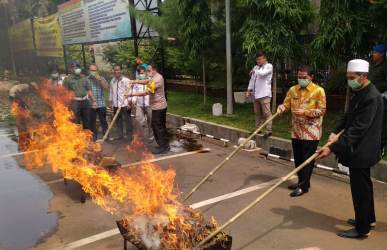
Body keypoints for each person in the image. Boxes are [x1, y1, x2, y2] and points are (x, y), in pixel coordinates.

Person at [317, 59, 383, 239]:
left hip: (362, 150)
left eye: (352, 77)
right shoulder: (360, 91)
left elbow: (357, 129)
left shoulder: (371, 97)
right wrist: (334, 132)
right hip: (359, 149)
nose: (349, 80)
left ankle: (362, 229)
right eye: (348, 77)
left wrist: (333, 148)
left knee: (360, 190)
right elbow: (348, 117)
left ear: (364, 76)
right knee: (365, 187)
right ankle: (368, 219)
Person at [277, 66, 326, 197]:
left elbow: (322, 110)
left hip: (311, 131)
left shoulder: (319, 91)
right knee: (298, 158)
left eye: (304, 77)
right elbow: (286, 104)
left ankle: (304, 186)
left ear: (311, 77)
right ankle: (301, 181)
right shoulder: (293, 90)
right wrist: (282, 108)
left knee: (307, 160)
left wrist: (306, 112)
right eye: (299, 77)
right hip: (296, 130)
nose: (301, 79)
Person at [130, 64, 169, 154]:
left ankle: (163, 147)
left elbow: (146, 92)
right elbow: (146, 81)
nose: (147, 72)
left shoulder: (157, 79)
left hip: (159, 107)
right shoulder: (154, 77)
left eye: (148, 70)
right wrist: (135, 81)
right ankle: (164, 145)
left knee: (157, 127)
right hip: (157, 106)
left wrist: (132, 95)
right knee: (160, 126)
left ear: (154, 70)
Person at [246, 51, 273, 137]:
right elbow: (252, 80)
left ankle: (268, 130)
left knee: (267, 113)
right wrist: (248, 90)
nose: (258, 61)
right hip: (255, 94)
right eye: (257, 60)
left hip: (265, 94)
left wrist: (254, 71)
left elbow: (262, 73)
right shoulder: (256, 67)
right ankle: (258, 129)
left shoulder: (269, 66)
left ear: (264, 58)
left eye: (260, 59)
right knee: (257, 113)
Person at [63, 63, 95, 129]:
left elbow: (89, 90)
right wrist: (66, 103)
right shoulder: (67, 79)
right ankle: (78, 137)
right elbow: (64, 91)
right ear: (71, 69)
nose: (76, 69)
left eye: (77, 67)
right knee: (75, 121)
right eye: (74, 67)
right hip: (74, 102)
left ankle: (88, 136)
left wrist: (94, 101)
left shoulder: (84, 78)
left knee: (87, 120)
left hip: (85, 101)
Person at [369, 44, 387, 153]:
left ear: (382, 54)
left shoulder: (385, 66)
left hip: (383, 98)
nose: (373, 54)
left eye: (375, 53)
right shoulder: (374, 65)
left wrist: (375, 88)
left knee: (382, 122)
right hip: (372, 97)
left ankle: (381, 146)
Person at [109, 65, 133, 141]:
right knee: (118, 121)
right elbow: (111, 92)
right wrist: (110, 102)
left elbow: (130, 92)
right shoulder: (112, 81)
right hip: (116, 104)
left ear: (121, 71)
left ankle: (129, 136)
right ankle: (120, 136)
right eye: (115, 70)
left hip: (125, 104)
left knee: (127, 120)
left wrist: (130, 103)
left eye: (118, 70)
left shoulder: (126, 80)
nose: (116, 71)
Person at [88, 64, 109, 141]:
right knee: (92, 122)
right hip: (91, 104)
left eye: (94, 70)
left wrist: (100, 80)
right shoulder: (86, 79)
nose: (93, 72)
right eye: (91, 70)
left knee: (103, 120)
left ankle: (106, 135)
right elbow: (86, 91)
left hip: (101, 103)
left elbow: (107, 88)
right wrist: (93, 101)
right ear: (89, 71)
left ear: (97, 71)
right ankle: (94, 136)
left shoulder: (101, 78)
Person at [132, 65, 154, 142]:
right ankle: (141, 135)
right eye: (139, 72)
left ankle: (151, 135)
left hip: (149, 104)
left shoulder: (150, 80)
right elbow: (134, 91)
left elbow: (151, 91)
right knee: (138, 120)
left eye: (143, 72)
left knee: (150, 120)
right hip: (139, 104)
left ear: (145, 72)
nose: (141, 74)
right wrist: (134, 100)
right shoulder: (136, 82)